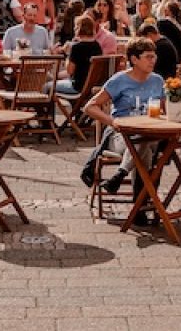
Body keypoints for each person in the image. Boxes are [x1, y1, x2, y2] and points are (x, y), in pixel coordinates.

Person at [79, 38, 166, 217]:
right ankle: (140, 206)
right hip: (121, 136)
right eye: (148, 57)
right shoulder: (120, 80)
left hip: (148, 134)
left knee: (146, 143)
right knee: (144, 149)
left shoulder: (157, 81)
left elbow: (163, 112)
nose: (153, 60)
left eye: (154, 56)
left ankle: (120, 175)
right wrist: (112, 122)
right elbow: (89, 107)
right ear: (134, 59)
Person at [55, 15, 104, 96]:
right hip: (92, 86)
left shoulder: (76, 47)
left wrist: (68, 53)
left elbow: (69, 71)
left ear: (78, 28)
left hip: (77, 87)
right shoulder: (97, 46)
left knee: (47, 86)